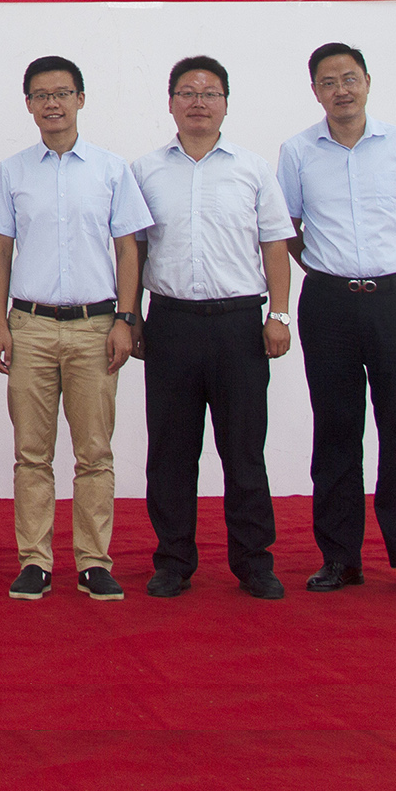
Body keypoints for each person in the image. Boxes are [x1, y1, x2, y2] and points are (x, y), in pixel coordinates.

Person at [278, 43, 396, 598]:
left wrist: (389, 275)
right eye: (328, 82)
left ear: (368, 82)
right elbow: (289, 230)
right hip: (328, 304)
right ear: (315, 91)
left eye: (349, 79)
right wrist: (331, 273)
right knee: (335, 430)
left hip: (394, 301)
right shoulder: (297, 152)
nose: (341, 91)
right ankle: (340, 558)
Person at [0, 55, 153, 602]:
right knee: (31, 453)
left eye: (62, 93)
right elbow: (0, 251)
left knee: (94, 453)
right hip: (29, 326)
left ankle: (93, 562)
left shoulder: (111, 169)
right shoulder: (13, 171)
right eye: (41, 95)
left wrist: (126, 319)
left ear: (81, 99)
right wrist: (0, 324)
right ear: (28, 104)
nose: (52, 103)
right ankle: (35, 561)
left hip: (95, 326)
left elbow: (128, 249)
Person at [131, 56, 295, 602]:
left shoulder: (252, 169)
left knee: (244, 452)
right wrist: (131, 316)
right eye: (187, 92)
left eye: (210, 92)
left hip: (238, 326)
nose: (198, 101)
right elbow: (133, 249)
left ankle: (254, 563)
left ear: (225, 102)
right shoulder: (145, 171)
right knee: (170, 453)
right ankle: (173, 561)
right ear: (170, 102)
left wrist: (278, 314)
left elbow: (275, 245)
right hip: (170, 324)